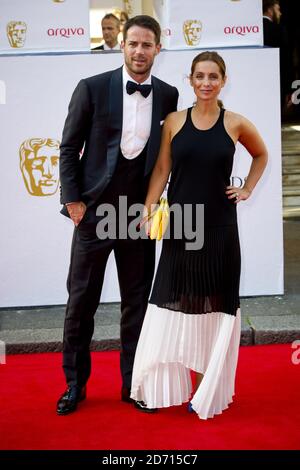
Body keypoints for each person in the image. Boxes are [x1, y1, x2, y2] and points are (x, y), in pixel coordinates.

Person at [130, 51, 268, 419]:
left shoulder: (236, 123)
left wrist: (247, 189)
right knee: (168, 306)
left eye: (213, 76)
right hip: (181, 227)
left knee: (217, 310)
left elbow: (261, 155)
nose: (206, 82)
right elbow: (162, 169)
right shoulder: (174, 121)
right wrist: (148, 206)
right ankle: (159, 388)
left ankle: (207, 393)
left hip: (221, 230)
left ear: (223, 81)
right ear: (190, 80)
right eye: (200, 76)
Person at [57, 15, 178, 415]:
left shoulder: (169, 95)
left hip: (138, 216)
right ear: (121, 46)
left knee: (137, 305)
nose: (140, 51)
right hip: (93, 213)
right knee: (81, 303)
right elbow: (68, 146)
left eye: (147, 45)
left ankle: (134, 385)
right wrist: (74, 202)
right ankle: (75, 386)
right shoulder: (91, 88)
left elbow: (166, 157)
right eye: (133, 44)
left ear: (158, 49)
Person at [262, 0, 291, 110]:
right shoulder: (278, 30)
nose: (280, 13)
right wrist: (289, 87)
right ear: (270, 10)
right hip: (277, 83)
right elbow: (286, 59)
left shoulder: (253, 30)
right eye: (278, 9)